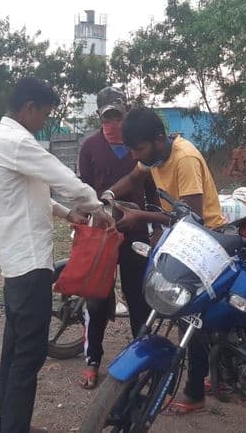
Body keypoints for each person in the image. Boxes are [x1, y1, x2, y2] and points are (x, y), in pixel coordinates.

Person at [0, 77, 113, 433]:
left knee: (14, 351)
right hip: (28, 267)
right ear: (29, 108)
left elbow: (33, 190)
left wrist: (66, 213)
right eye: (44, 113)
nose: (44, 120)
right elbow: (60, 176)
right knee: (29, 354)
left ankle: (7, 423)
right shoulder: (17, 142)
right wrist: (94, 206)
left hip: (17, 265)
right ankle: (15, 428)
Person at [102, 107, 227, 414]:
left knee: (191, 316)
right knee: (188, 314)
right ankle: (219, 375)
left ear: (159, 139)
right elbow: (133, 177)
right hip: (183, 239)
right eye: (131, 149)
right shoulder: (154, 155)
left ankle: (196, 391)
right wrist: (105, 196)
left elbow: (193, 217)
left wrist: (140, 216)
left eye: (139, 148)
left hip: (207, 241)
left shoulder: (183, 158)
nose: (135, 156)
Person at [76, 87, 155, 389]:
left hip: (134, 231)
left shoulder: (138, 148)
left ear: (126, 113)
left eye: (117, 116)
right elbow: (83, 186)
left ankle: (140, 361)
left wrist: (154, 225)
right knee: (97, 300)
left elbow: (149, 188)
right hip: (101, 233)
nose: (113, 123)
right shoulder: (90, 147)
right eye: (107, 117)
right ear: (99, 115)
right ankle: (92, 361)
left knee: (138, 299)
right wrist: (84, 216)